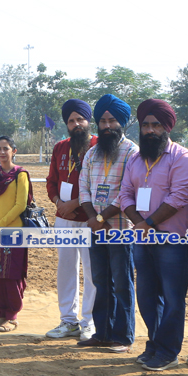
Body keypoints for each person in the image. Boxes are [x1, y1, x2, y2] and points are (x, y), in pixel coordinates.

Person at [120, 99, 188, 371]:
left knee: (173, 298)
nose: (150, 130)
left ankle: (168, 351)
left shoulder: (182, 158)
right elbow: (125, 194)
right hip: (143, 238)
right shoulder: (135, 159)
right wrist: (140, 224)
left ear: (167, 127)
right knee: (147, 295)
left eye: (155, 125)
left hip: (171, 240)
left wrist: (148, 223)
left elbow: (179, 197)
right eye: (145, 125)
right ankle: (154, 342)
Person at [77, 94, 139, 354]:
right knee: (100, 281)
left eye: (112, 121)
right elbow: (83, 188)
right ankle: (102, 333)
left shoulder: (132, 151)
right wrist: (93, 218)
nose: (107, 126)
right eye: (102, 121)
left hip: (121, 228)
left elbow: (127, 191)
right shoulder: (92, 152)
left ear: (122, 122)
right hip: (95, 229)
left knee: (122, 282)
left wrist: (101, 219)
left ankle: (123, 336)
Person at [44, 99, 96, 341]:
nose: (76, 124)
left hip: (90, 219)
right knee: (66, 269)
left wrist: (74, 204)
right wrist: (58, 203)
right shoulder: (60, 147)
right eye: (71, 120)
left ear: (88, 121)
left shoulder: (98, 146)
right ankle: (68, 320)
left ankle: (89, 322)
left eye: (80, 120)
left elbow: (100, 184)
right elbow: (51, 181)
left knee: (91, 270)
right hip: (63, 218)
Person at [0, 137, 32, 332]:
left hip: (13, 232)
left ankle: (12, 316)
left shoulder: (20, 174)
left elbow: (20, 205)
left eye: (6, 149)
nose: (2, 152)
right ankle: (1, 314)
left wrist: (0, 225)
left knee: (12, 273)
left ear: (14, 151)